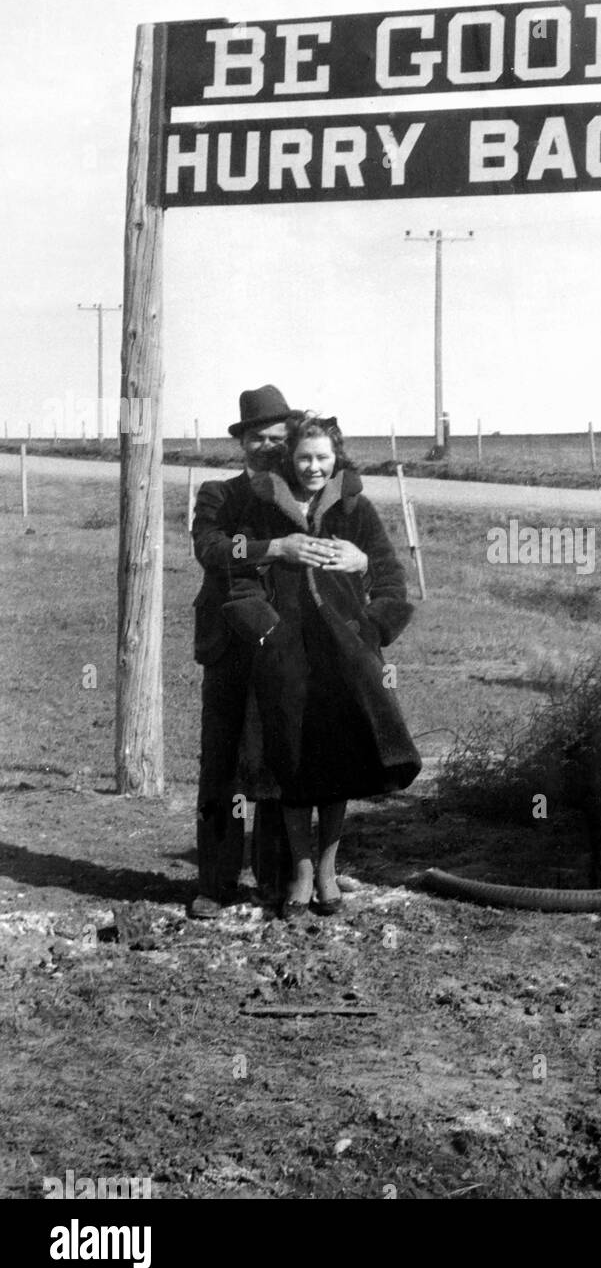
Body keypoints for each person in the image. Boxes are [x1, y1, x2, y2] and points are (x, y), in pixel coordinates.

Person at [225, 412, 420, 918]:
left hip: (343, 660)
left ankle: (329, 871)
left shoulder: (356, 509)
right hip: (283, 658)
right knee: (291, 764)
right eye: (304, 457)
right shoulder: (265, 507)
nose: (313, 467)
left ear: (336, 458)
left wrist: (369, 627)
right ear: (291, 459)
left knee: (338, 765)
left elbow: (392, 579)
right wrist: (266, 632)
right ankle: (302, 872)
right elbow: (240, 572)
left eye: (322, 457)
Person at [189, 383, 307, 919]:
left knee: (278, 763)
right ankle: (214, 884)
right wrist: (272, 548)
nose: (266, 446)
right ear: (242, 443)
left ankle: (277, 879)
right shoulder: (220, 493)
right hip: (227, 646)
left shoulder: (294, 497)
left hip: (282, 644)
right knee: (221, 766)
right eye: (257, 437)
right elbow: (212, 550)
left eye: (276, 438)